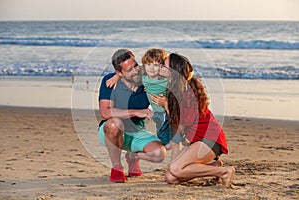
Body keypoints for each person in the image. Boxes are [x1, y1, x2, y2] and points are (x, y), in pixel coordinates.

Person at [151, 53, 235, 186]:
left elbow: (178, 129)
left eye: (164, 65)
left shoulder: (187, 95)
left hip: (210, 140)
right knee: (170, 178)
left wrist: (166, 106)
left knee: (175, 169)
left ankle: (224, 171)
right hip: (197, 140)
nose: (160, 67)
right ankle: (214, 166)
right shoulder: (176, 88)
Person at [98, 49, 167, 183]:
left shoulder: (148, 80)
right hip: (111, 132)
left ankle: (133, 157)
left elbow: (165, 68)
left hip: (137, 132)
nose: (135, 71)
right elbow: (105, 112)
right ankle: (117, 167)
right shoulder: (110, 82)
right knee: (114, 123)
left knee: (159, 154)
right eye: (129, 70)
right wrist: (136, 112)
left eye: (135, 66)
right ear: (119, 72)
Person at [106, 48, 186, 160]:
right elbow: (131, 71)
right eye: (148, 65)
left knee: (175, 142)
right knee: (167, 145)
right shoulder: (144, 78)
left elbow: (181, 76)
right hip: (160, 117)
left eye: (157, 65)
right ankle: (133, 157)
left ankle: (176, 165)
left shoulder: (165, 78)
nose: (152, 68)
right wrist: (116, 77)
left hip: (171, 114)